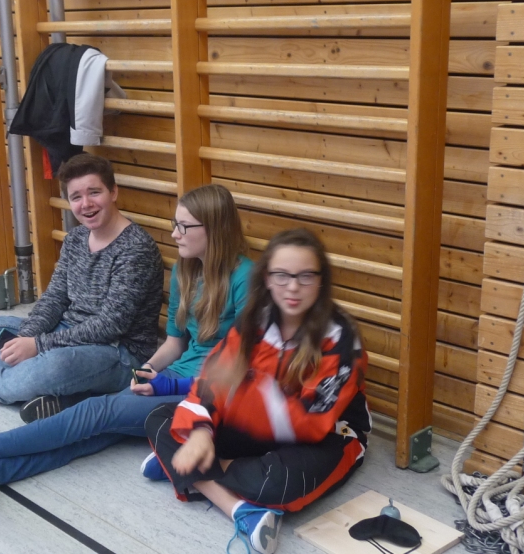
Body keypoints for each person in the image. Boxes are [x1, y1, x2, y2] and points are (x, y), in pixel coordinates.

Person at [0, 184, 254, 510]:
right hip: (172, 378)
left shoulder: (247, 278)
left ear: (214, 228)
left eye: (184, 227)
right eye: (175, 224)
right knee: (89, 436)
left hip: (205, 397)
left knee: (94, 414)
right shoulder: (185, 270)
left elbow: (245, 367)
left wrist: (167, 387)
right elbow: (176, 342)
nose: (175, 234)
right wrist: (146, 372)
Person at [144, 228, 371, 554]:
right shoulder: (253, 321)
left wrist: (249, 387)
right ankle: (240, 509)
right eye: (282, 275)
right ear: (267, 278)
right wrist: (201, 433)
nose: (293, 287)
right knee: (161, 417)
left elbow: (308, 424)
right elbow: (209, 385)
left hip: (326, 435)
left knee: (277, 482)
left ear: (321, 281)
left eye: (306, 276)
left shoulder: (342, 339)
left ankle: (187, 470)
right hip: (257, 429)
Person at [0, 153, 164, 406]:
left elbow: (110, 326)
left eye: (94, 192)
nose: (86, 204)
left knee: (56, 365)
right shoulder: (75, 238)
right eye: (76, 197)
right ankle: (48, 388)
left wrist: (38, 346)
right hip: (65, 334)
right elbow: (54, 298)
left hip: (118, 353)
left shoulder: (136, 249)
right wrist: (24, 340)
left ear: (113, 192)